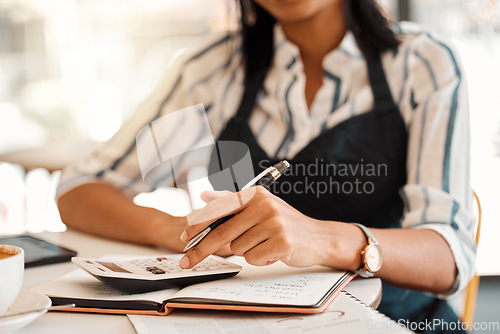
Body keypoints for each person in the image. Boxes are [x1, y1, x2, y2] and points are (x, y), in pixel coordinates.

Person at [57, 0, 475, 332]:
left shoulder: (420, 65)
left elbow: (448, 257)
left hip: (396, 322)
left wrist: (320, 239)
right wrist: (178, 230)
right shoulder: (213, 73)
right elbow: (81, 188)